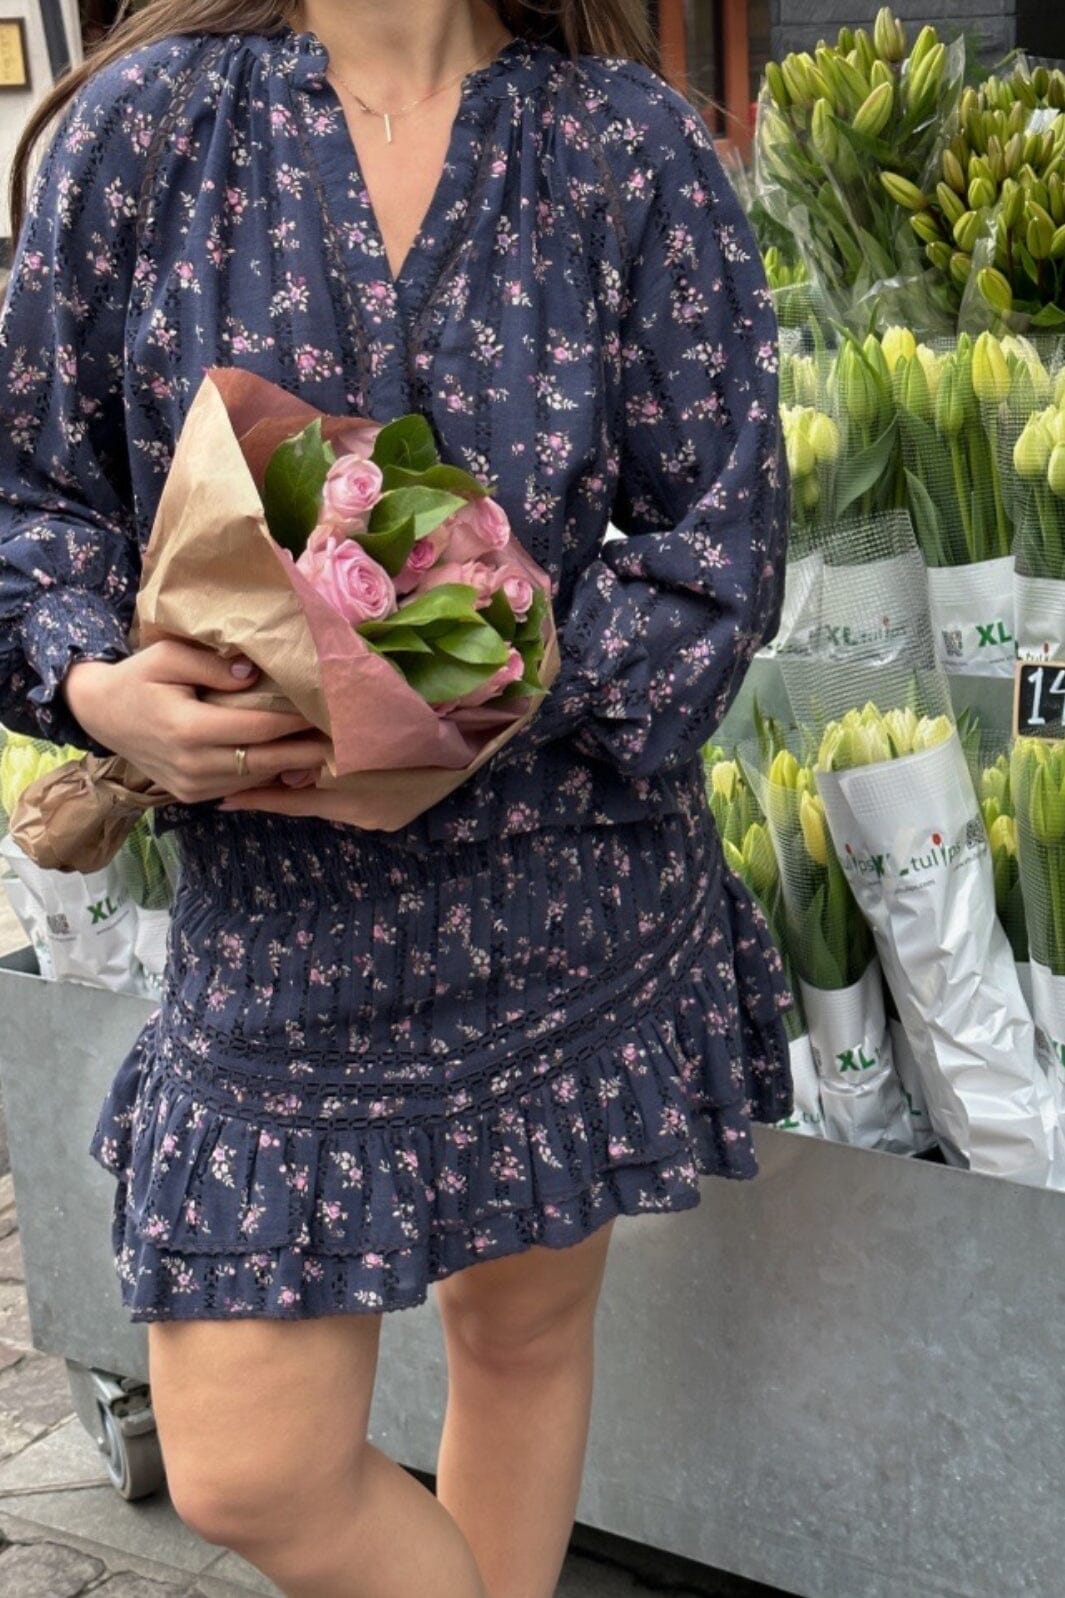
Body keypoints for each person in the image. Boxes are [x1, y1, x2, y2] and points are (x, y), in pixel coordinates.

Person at [0, 1, 792, 1593]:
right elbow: (30, 491)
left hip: (566, 897)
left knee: (516, 1343)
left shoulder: (624, 149)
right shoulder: (152, 129)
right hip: (282, 934)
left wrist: (459, 670)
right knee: (248, 1463)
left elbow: (720, 550)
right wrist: (93, 682)